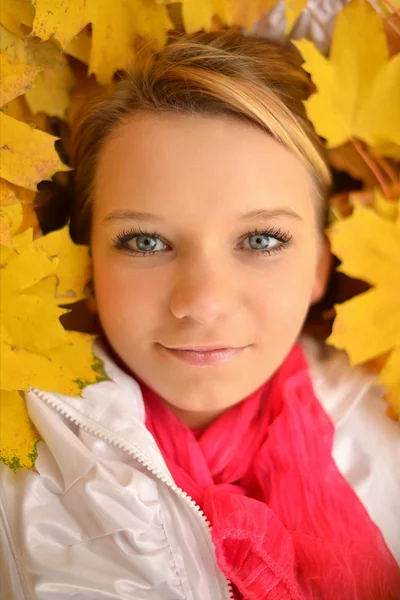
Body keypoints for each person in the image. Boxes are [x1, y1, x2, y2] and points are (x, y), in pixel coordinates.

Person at [0, 30, 399, 600]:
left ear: (320, 265)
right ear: (87, 266)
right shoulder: (13, 468)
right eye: (143, 242)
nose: (202, 301)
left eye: (261, 240)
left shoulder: (388, 423)